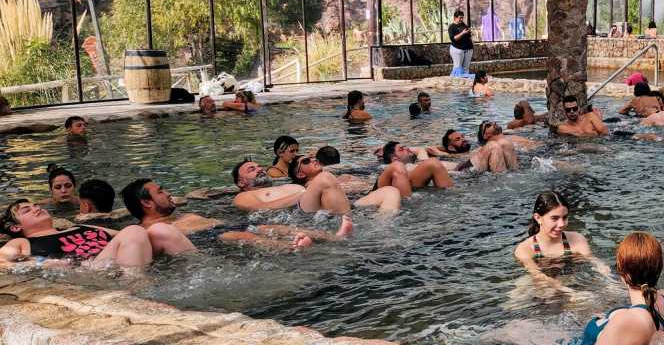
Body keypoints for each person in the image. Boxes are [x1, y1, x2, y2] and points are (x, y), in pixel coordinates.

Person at [500, 231, 664, 345]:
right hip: (613, 336)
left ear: (623, 275)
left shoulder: (628, 321)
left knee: (509, 331)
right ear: (659, 268)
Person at [0, 200, 156, 272]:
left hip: (118, 259)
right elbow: (2, 261)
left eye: (36, 205)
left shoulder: (81, 227)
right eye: (27, 210)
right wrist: (43, 263)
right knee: (134, 230)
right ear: (16, 227)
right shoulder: (22, 241)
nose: (36, 208)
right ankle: (138, 288)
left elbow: (135, 237)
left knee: (162, 231)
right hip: (90, 268)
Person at [233, 159, 399, 222]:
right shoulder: (243, 196)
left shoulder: (283, 184)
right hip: (296, 211)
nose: (259, 169)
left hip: (321, 206)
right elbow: (260, 209)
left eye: (259, 166)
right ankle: (348, 224)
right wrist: (300, 195)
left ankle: (382, 229)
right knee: (325, 177)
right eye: (251, 169)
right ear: (241, 182)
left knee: (390, 191)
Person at [511, 192, 599, 293]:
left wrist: (606, 274)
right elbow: (537, 276)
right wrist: (570, 292)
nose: (561, 224)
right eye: (554, 218)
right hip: (538, 285)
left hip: (570, 279)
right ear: (538, 218)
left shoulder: (577, 239)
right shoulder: (525, 249)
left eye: (565, 217)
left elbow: (593, 260)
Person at [121, 179, 218, 245]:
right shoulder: (148, 233)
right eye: (160, 192)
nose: (168, 193)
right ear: (146, 203)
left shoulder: (178, 218)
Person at [376, 142, 455, 198]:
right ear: (394, 158)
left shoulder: (412, 166)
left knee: (433, 163)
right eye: (401, 149)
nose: (406, 149)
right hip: (387, 191)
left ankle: (452, 197)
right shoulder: (387, 168)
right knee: (399, 167)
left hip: (410, 189)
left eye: (406, 147)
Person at [449, 10, 474, 75]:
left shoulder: (463, 25)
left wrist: (470, 32)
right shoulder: (452, 27)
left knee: (466, 68)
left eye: (462, 17)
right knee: (458, 68)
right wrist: (462, 33)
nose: (461, 19)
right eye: (460, 18)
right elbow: (454, 39)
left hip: (468, 49)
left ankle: (465, 82)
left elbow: (468, 35)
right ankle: (455, 81)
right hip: (458, 49)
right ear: (455, 18)